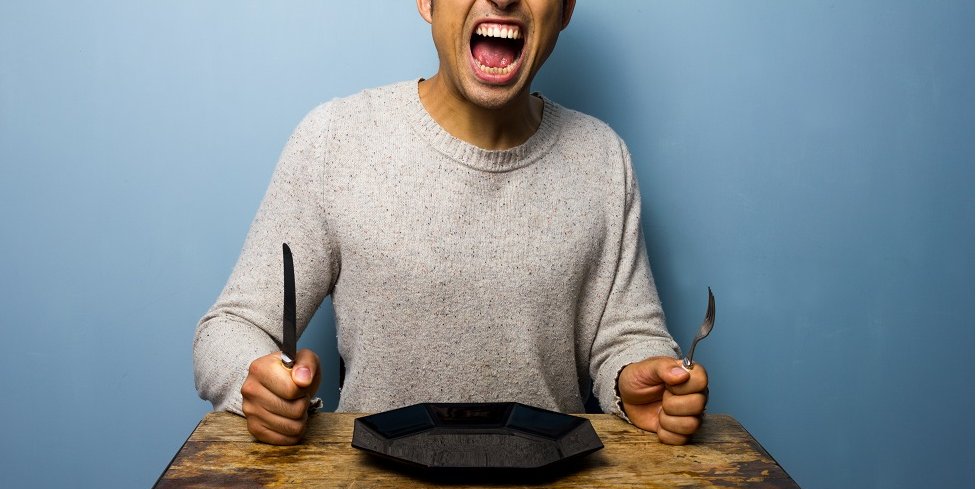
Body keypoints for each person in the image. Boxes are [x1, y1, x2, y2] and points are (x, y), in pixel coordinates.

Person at [193, 0, 708, 446]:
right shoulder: (336, 140)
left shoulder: (602, 158)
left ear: (566, 10)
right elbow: (229, 330)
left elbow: (627, 336)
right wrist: (254, 384)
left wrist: (640, 380)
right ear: (427, 1)